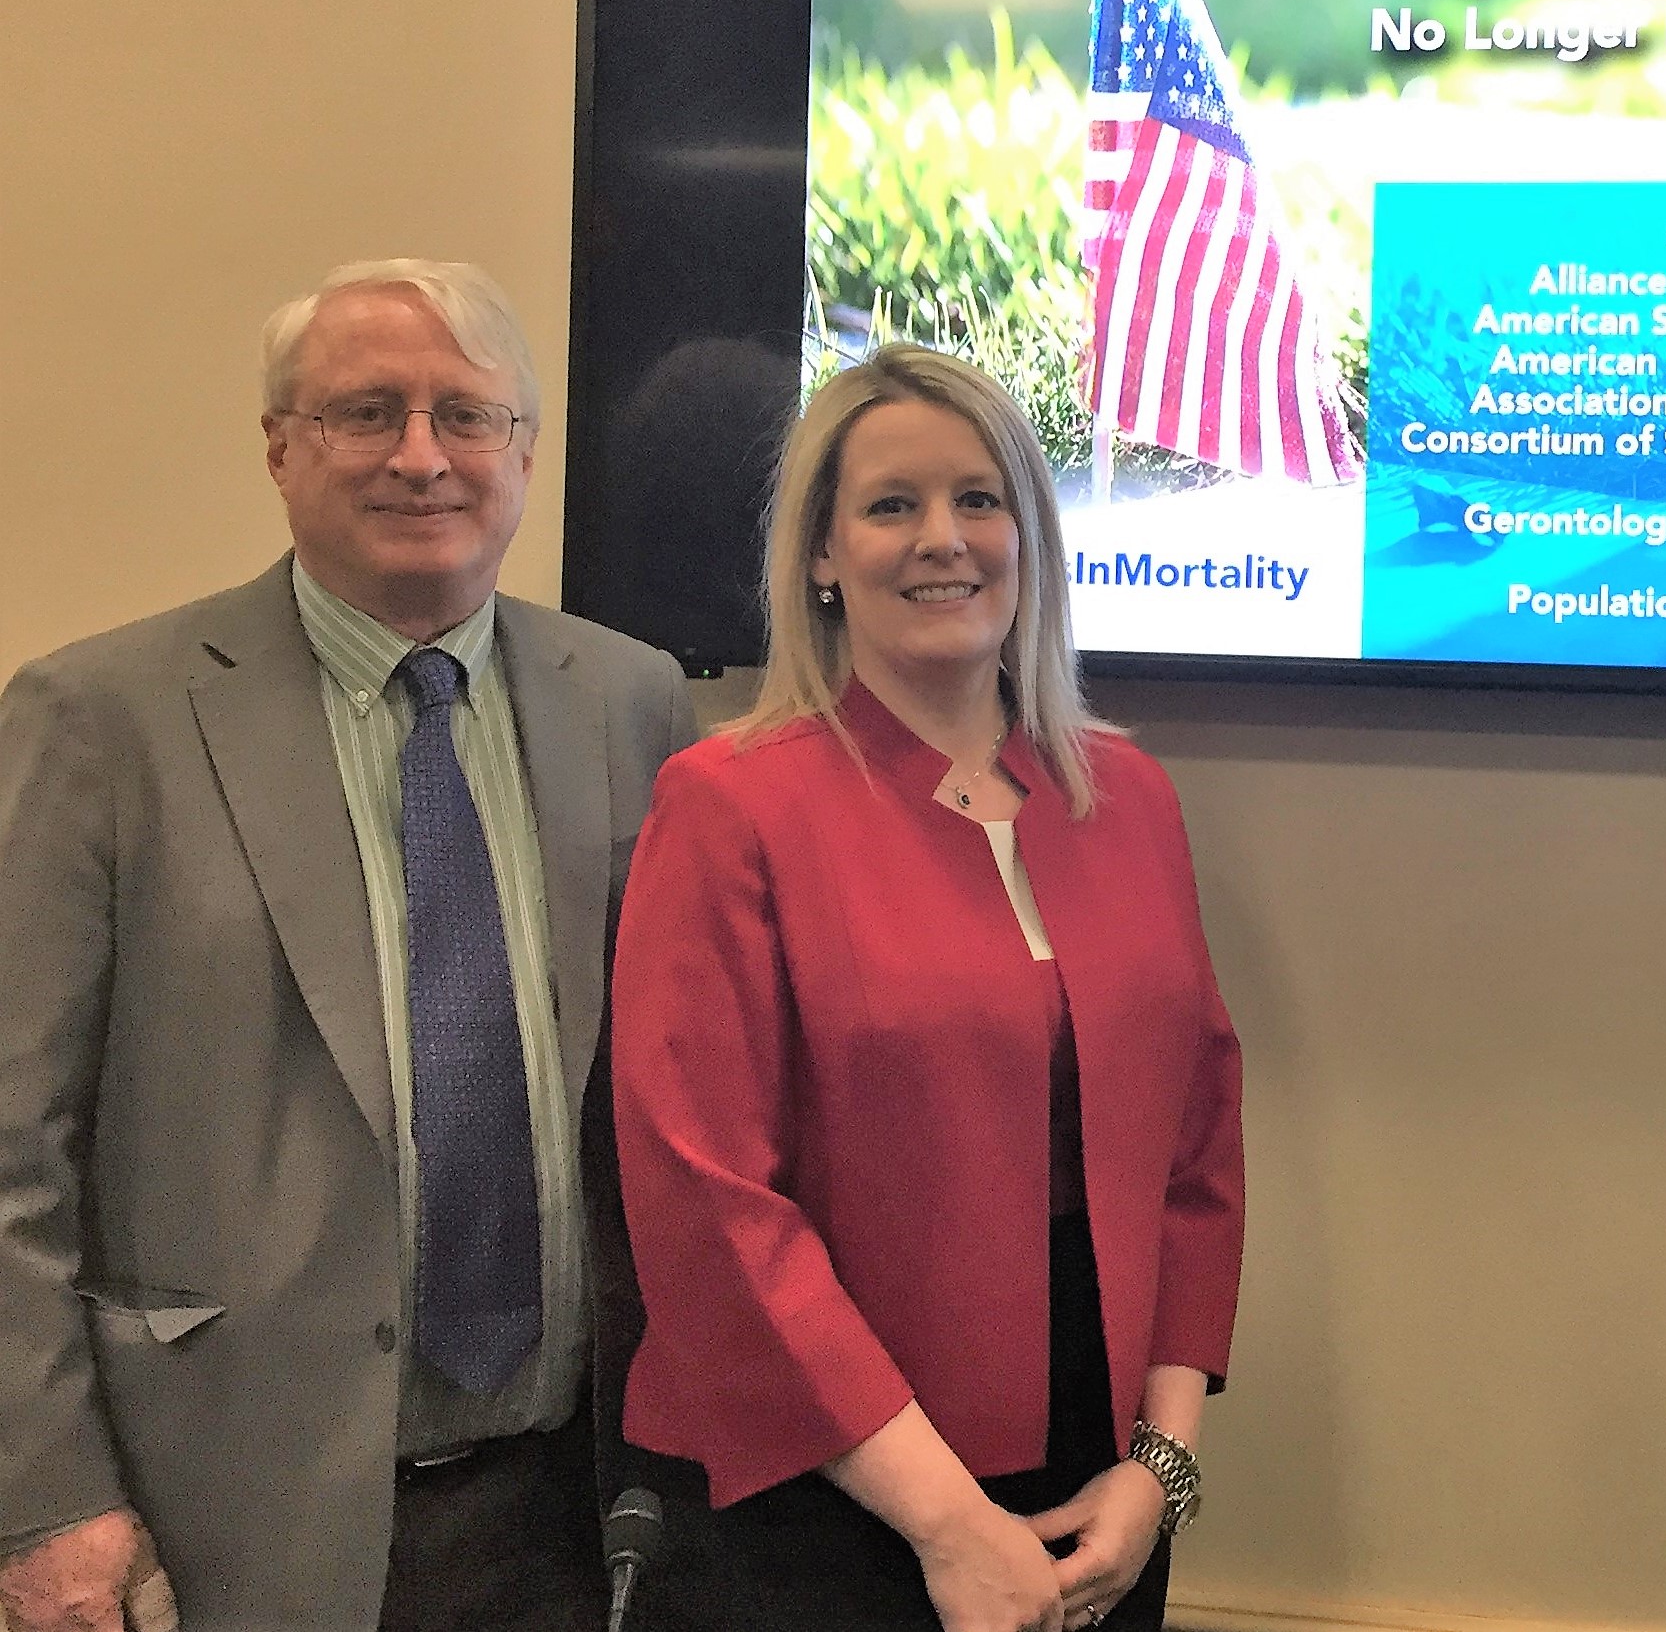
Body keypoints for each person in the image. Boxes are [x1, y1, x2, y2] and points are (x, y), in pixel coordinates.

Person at [0, 259, 702, 1632]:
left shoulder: (629, 699)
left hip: (562, 1501)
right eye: (366, 410)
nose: (421, 455)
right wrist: (41, 1495)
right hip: (217, 1510)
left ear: (526, 449)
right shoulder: (102, 718)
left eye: (468, 414)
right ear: (279, 445)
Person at [610, 344, 1243, 1632]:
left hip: (1100, 1489)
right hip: (828, 1489)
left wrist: (1159, 1472)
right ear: (824, 557)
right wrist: (951, 1527)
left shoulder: (1129, 799)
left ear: (1031, 536)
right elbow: (708, 1202)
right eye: (892, 505)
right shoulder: (731, 804)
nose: (943, 540)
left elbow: (1197, 1153)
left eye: (980, 499)